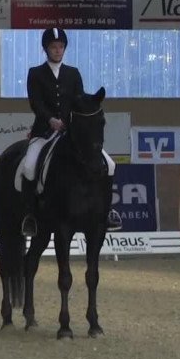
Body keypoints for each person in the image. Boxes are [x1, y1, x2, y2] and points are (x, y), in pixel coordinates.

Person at [21, 28, 122, 237]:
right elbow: (36, 103)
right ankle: (30, 215)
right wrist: (50, 119)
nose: (58, 51)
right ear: (46, 49)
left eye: (61, 47)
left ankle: (107, 210)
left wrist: (92, 102)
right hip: (44, 131)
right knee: (29, 167)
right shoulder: (35, 73)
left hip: (71, 132)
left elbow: (79, 99)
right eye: (53, 47)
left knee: (109, 164)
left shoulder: (73, 73)